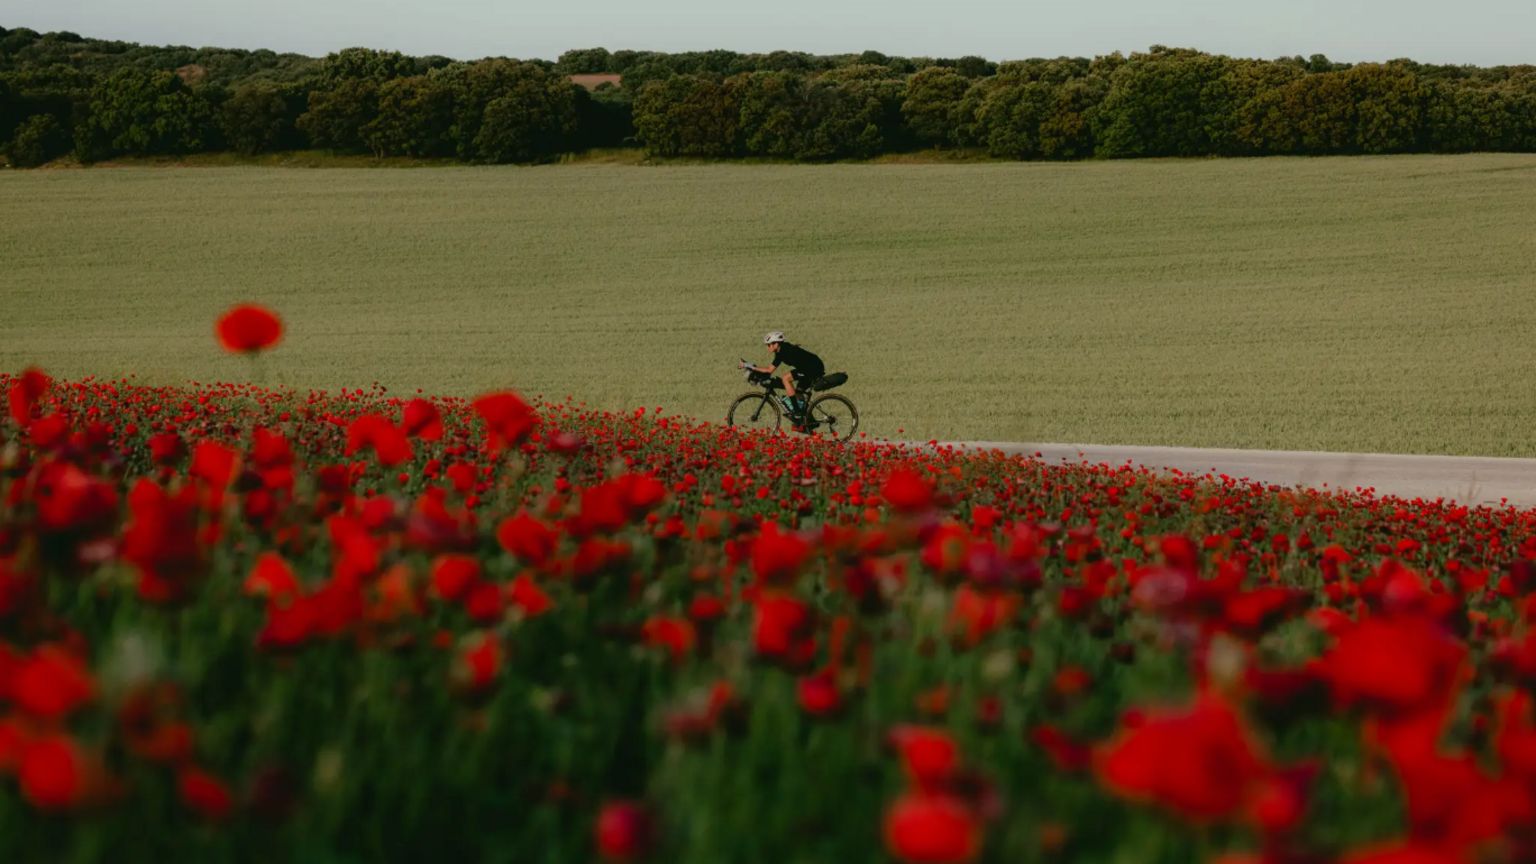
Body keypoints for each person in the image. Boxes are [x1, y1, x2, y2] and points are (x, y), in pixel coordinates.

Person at [741, 331, 825, 425]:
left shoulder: (785, 350)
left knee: (786, 378)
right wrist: (751, 366)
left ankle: (797, 412)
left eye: (769, 345)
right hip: (808, 368)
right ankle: (807, 420)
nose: (768, 347)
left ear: (776, 344)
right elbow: (770, 369)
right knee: (798, 393)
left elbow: (769, 370)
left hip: (813, 368)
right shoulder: (781, 351)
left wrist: (750, 366)